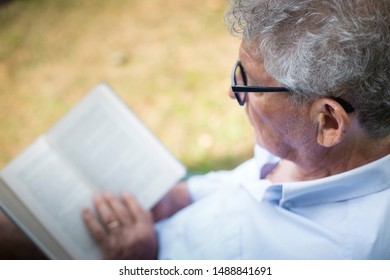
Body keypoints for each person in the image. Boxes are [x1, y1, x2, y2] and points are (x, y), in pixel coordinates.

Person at [82, 0, 390, 259]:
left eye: (251, 84)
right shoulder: (313, 149)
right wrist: (183, 197)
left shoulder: (333, 257)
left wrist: (138, 264)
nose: (232, 92)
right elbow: (240, 190)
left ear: (329, 122)